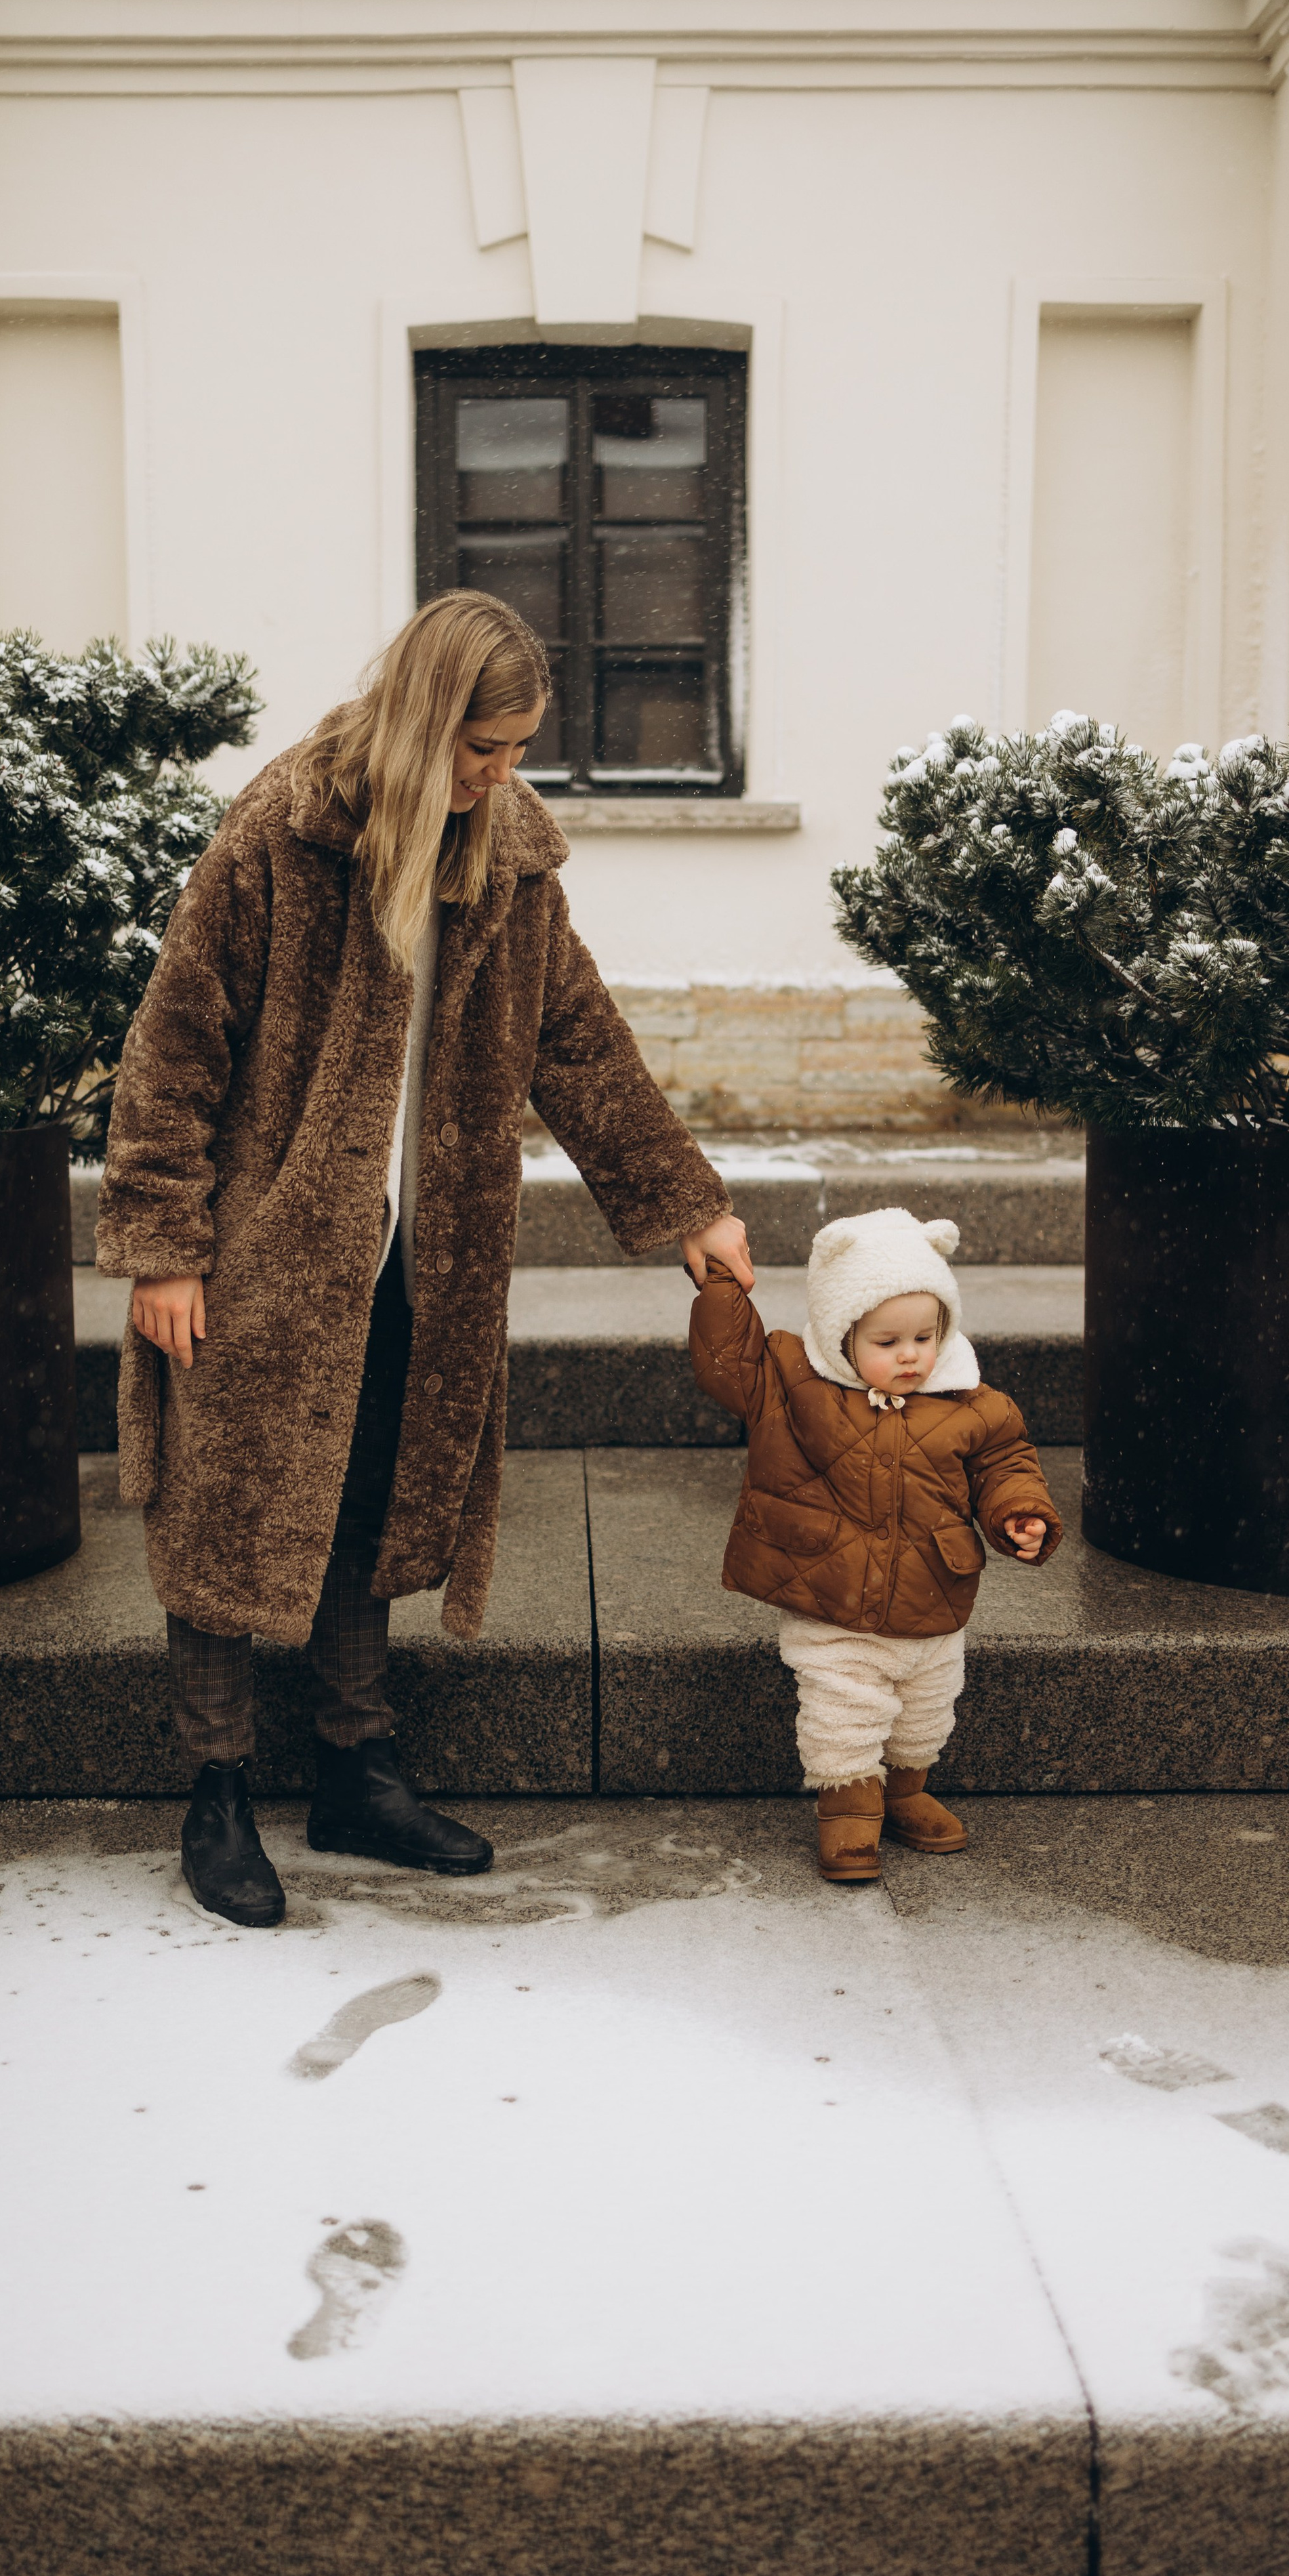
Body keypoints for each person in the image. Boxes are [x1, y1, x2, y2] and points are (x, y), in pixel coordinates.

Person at [98, 591, 753, 1926]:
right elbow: (176, 1040)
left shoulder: (506, 858)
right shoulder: (285, 828)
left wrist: (685, 1202)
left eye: (515, 752)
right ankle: (215, 1791)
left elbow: (578, 1041)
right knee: (224, 1508)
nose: (499, 778)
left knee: (369, 1495)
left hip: (424, 1257)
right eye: (482, 750)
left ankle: (354, 1768)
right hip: (264, 1252)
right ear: (419, 722)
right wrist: (166, 1244)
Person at [689, 1206, 1061, 1882]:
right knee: (844, 1713)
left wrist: (1018, 1514)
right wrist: (720, 1285)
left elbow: (1005, 1465)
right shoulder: (793, 1383)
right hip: (830, 1594)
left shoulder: (973, 1402)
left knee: (926, 1706)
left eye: (925, 1335)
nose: (911, 1353)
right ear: (841, 1334)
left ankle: (907, 1792)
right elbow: (727, 1362)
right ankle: (848, 1814)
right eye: (887, 1341)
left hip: (931, 1590)